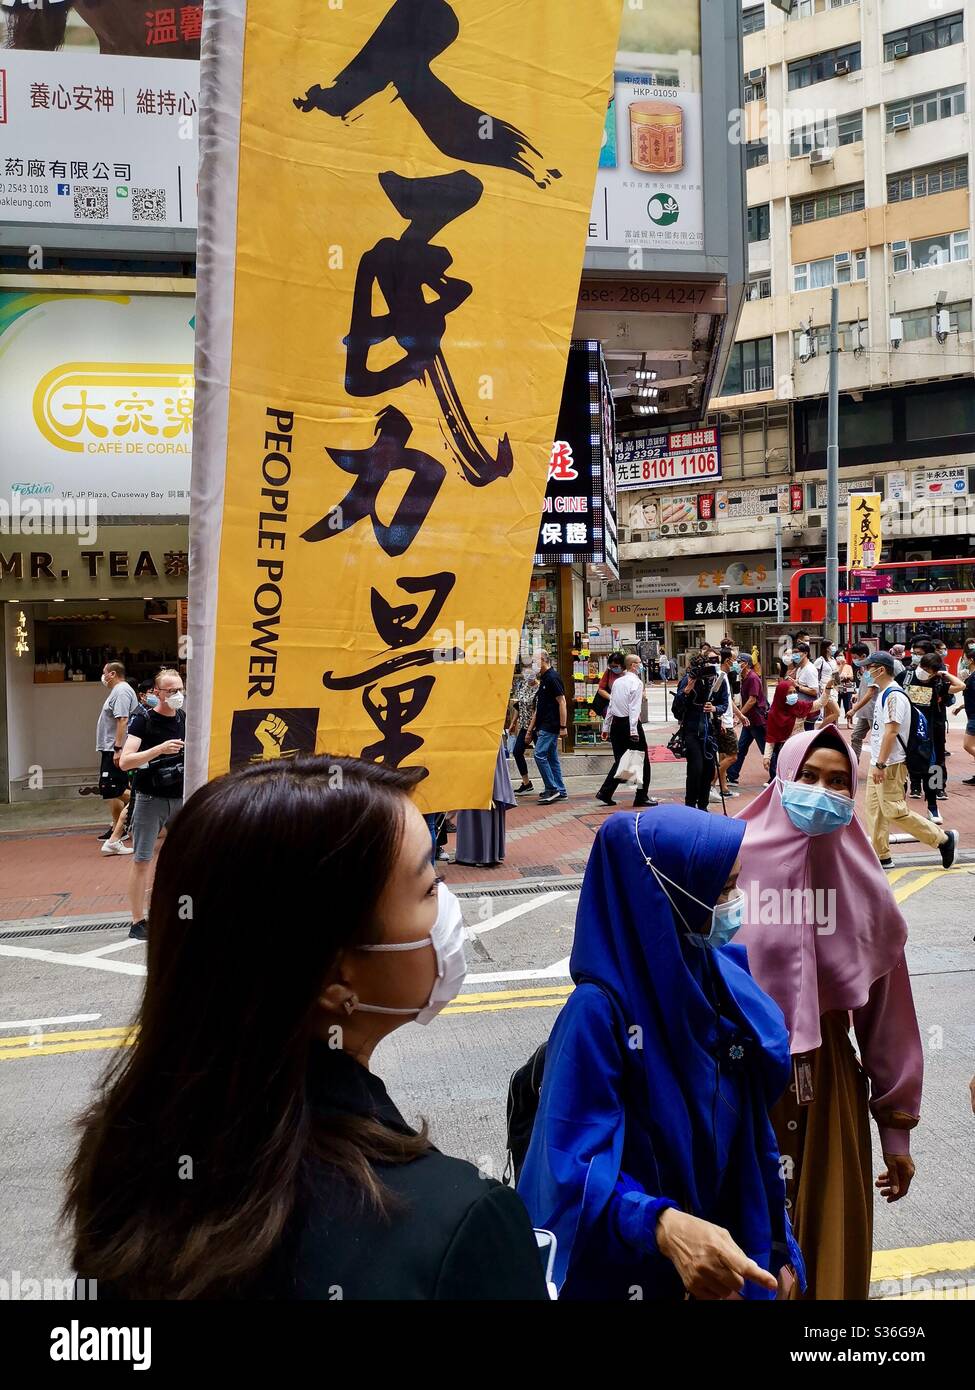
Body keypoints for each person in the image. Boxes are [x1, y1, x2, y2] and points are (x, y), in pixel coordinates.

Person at [66, 756, 548, 1300]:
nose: (449, 910)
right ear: (334, 977)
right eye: (429, 886)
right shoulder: (459, 1224)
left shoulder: (127, 1154)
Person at [516, 807, 803, 1300]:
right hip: (632, 1277)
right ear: (664, 897)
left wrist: (778, 1246)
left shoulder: (719, 977)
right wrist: (662, 1225)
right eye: (721, 890)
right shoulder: (597, 1014)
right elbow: (570, 1170)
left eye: (733, 885)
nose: (733, 905)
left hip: (725, 1267)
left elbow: (752, 1138)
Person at [735, 728, 923, 1300]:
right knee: (745, 1256)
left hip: (831, 1088)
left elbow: (889, 1015)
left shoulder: (865, 885)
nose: (822, 792)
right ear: (782, 780)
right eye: (809, 777)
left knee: (829, 1254)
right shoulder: (731, 858)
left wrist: (896, 1133)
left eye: (839, 782)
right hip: (741, 1083)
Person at [862, 651, 957, 871]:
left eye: (869, 667)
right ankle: (882, 856)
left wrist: (880, 764)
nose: (866, 671)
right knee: (874, 811)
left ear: (881, 669)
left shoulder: (894, 695)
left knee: (894, 811)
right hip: (880, 761)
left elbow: (892, 731)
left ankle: (943, 839)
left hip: (890, 764)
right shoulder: (885, 692)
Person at [118, 669, 186, 942]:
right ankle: (138, 921)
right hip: (150, 797)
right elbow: (125, 761)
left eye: (180, 689)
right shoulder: (143, 720)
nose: (177, 695)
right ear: (156, 693)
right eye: (170, 691)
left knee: (184, 858)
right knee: (143, 859)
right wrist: (159, 749)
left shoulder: (183, 718)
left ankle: (179, 914)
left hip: (180, 796)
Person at [905, 654, 964, 817]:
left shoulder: (937, 683)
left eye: (929, 671)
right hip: (905, 731)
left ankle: (934, 802)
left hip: (929, 730)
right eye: (923, 669)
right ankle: (911, 792)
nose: (925, 673)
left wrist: (944, 674)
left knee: (934, 764)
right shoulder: (906, 676)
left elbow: (960, 686)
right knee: (902, 767)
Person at [596, 655, 656, 809]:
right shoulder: (636, 682)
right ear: (633, 665)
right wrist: (633, 730)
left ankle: (606, 792)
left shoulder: (617, 682)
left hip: (616, 725)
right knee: (642, 761)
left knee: (623, 760)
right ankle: (641, 796)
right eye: (640, 663)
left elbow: (611, 706)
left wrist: (605, 727)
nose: (641, 665)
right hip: (630, 724)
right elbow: (634, 708)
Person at [672, 654, 728, 811]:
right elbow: (676, 711)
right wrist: (687, 691)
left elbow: (724, 703)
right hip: (691, 730)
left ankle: (703, 806)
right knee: (695, 769)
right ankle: (690, 805)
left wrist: (715, 709)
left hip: (710, 731)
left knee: (709, 770)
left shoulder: (718, 680)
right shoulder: (687, 680)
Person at [95, 661, 138, 855]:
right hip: (110, 748)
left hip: (115, 749)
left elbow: (122, 720)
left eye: (104, 673)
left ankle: (146, 802)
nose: (103, 677)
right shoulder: (118, 691)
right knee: (115, 788)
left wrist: (118, 748)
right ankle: (118, 829)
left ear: (112, 674)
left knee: (112, 787)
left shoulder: (121, 691)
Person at [455, 739, 517, 868]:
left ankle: (482, 853)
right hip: (473, 745)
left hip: (484, 743)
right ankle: (474, 852)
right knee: (470, 794)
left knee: (484, 795)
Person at [762, 663, 826, 783]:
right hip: (785, 749)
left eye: (794, 692)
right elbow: (771, 739)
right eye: (789, 693)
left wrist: (827, 690)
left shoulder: (799, 706)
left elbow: (820, 703)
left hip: (801, 746)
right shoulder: (773, 713)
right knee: (785, 778)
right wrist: (767, 757)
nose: (793, 696)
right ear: (781, 695)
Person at [525, 650, 568, 806]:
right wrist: (532, 728)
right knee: (552, 758)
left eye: (535, 661)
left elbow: (562, 702)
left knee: (539, 755)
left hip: (550, 725)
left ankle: (552, 788)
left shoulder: (552, 678)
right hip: (545, 724)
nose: (533, 664)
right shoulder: (544, 678)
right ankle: (560, 789)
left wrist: (563, 726)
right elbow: (541, 706)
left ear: (543, 660)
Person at [727, 655, 767, 785]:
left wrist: (739, 715)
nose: (737, 664)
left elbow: (752, 700)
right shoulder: (744, 678)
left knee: (765, 749)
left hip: (756, 720)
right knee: (741, 747)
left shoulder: (753, 678)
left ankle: (776, 774)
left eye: (740, 662)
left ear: (747, 664)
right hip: (749, 721)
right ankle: (732, 776)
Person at [711, 649, 741, 803]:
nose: (736, 663)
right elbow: (717, 701)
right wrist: (722, 720)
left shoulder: (724, 676)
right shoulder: (720, 676)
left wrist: (740, 715)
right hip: (724, 723)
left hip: (725, 720)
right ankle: (710, 784)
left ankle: (724, 789)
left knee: (723, 756)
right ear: (728, 660)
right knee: (732, 756)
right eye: (735, 660)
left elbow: (727, 700)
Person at [508, 664, 538, 795]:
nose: (528, 678)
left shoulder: (540, 689)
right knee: (517, 751)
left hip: (537, 727)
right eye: (526, 675)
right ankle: (526, 783)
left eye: (530, 675)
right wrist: (513, 723)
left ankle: (553, 784)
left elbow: (537, 711)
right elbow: (519, 706)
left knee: (543, 756)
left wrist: (531, 731)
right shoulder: (523, 686)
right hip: (525, 726)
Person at [950, 660, 975, 784]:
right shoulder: (972, 676)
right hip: (972, 714)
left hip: (974, 717)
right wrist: (961, 707)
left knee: (968, 745)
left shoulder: (974, 677)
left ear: (971, 660)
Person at [790, 643, 820, 732]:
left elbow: (814, 691)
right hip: (802, 710)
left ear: (805, 653)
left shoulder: (810, 669)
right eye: (793, 653)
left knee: (808, 733)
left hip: (809, 710)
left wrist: (798, 686)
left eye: (797, 652)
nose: (794, 655)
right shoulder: (800, 668)